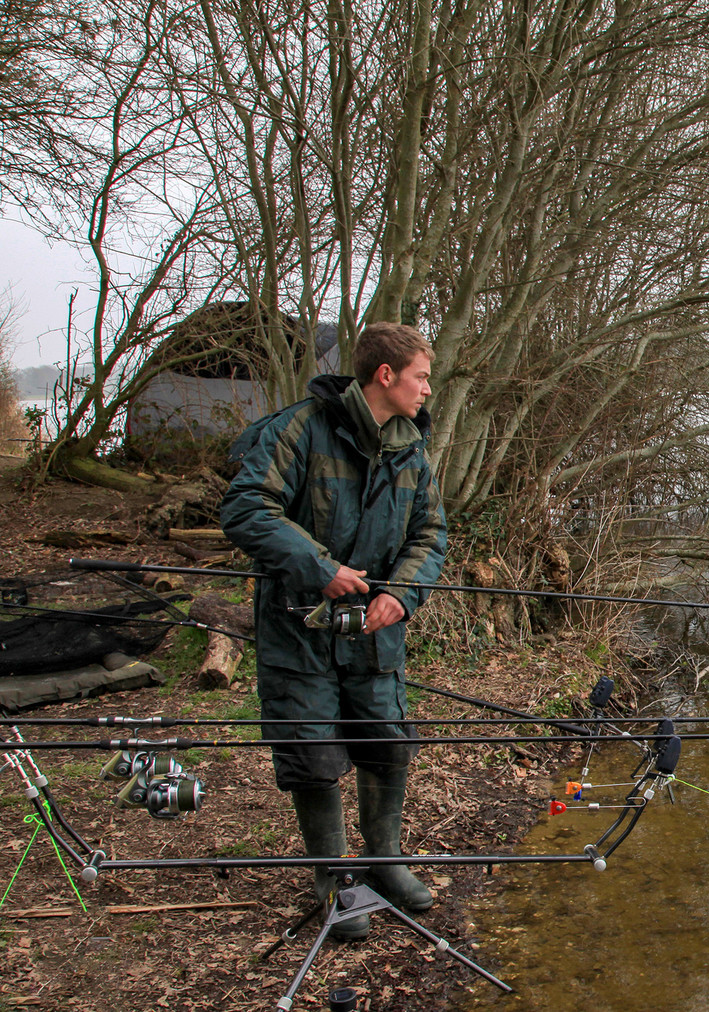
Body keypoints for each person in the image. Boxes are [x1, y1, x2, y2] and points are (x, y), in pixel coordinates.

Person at [221, 322, 447, 940]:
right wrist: (320, 570)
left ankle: (385, 863)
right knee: (313, 757)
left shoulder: (413, 448)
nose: (429, 389)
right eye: (422, 376)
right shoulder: (300, 428)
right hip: (297, 631)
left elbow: (432, 534)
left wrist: (400, 595)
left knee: (388, 743)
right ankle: (333, 880)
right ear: (386, 375)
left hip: (376, 632)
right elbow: (246, 508)